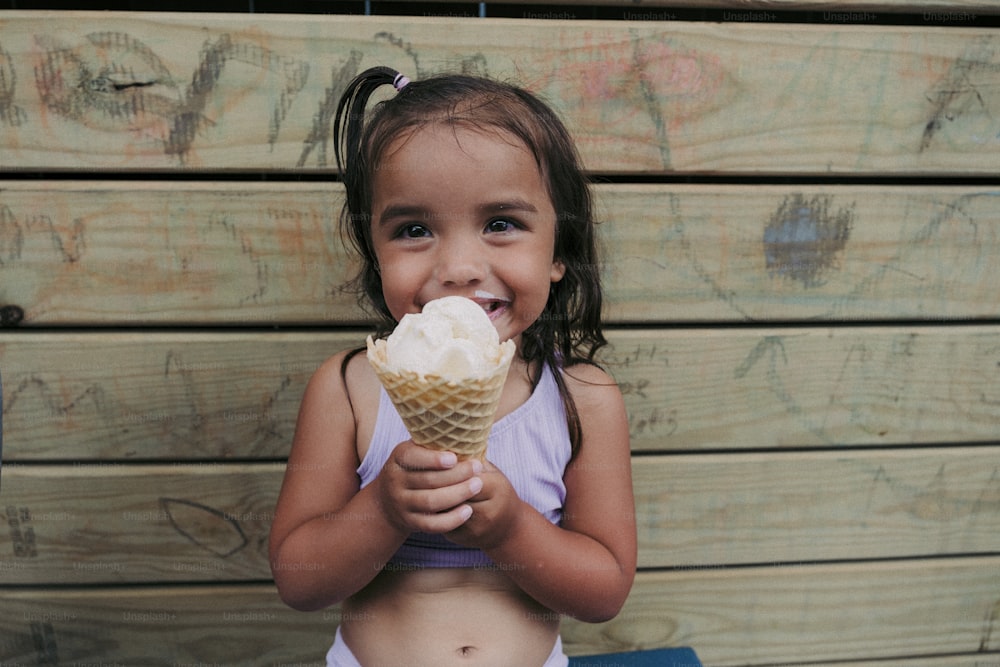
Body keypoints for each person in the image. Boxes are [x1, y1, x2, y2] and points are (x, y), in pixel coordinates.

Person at [269, 66, 636, 667]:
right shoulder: (349, 388)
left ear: (558, 253)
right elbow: (299, 581)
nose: (460, 267)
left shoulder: (584, 398)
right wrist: (383, 510)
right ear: (375, 254)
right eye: (414, 229)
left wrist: (510, 527)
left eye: (501, 224)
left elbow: (604, 591)